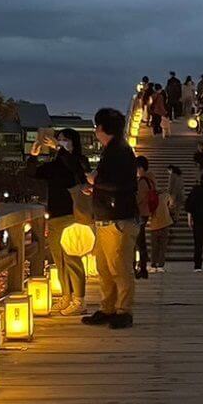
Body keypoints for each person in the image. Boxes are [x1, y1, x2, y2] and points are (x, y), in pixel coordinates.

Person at [85, 107, 140, 329]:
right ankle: (108, 307)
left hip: (119, 218)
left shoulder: (119, 151)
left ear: (101, 128)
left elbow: (122, 184)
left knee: (120, 266)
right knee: (104, 267)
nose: (95, 131)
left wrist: (94, 182)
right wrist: (97, 188)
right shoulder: (114, 149)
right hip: (107, 216)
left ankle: (123, 310)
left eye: (96, 126)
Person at [25, 127, 90, 316]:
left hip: (72, 215)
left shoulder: (78, 161)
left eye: (64, 139)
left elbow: (76, 169)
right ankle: (66, 296)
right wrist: (33, 156)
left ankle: (80, 299)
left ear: (73, 142)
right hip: (54, 216)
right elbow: (32, 174)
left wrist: (59, 149)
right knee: (59, 260)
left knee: (72, 259)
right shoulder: (55, 165)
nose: (60, 142)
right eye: (58, 139)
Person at [147, 158, 174, 271]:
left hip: (154, 223)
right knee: (163, 246)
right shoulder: (165, 195)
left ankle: (153, 264)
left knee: (154, 246)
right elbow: (171, 204)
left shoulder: (149, 195)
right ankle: (161, 265)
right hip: (165, 222)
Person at [135, 155, 157, 279]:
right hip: (146, 212)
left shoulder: (143, 181)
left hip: (140, 213)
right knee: (140, 241)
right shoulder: (151, 179)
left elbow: (139, 198)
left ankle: (141, 268)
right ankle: (142, 268)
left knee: (138, 242)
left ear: (140, 168)